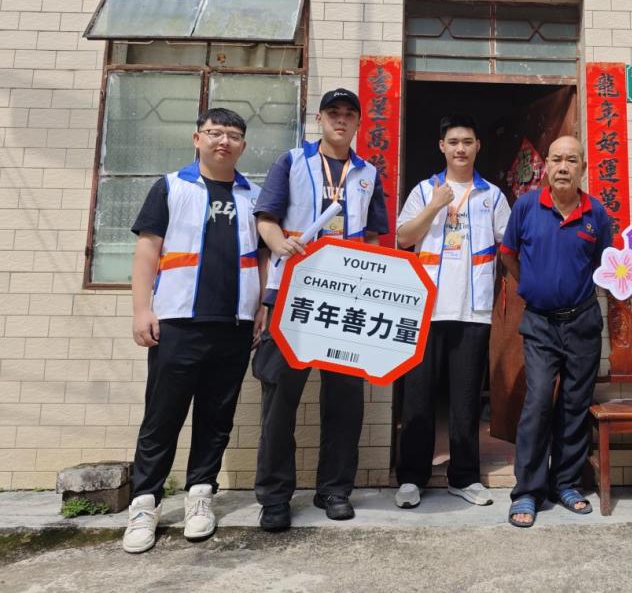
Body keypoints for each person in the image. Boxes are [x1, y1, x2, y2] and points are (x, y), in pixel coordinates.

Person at [122, 108, 267, 554]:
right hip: (178, 321)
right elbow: (147, 250)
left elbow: (262, 257)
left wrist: (261, 307)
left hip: (234, 324)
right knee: (162, 416)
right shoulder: (171, 187)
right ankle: (145, 504)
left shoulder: (254, 196)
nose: (224, 141)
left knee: (217, 417)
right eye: (215, 133)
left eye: (233, 135)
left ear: (243, 145)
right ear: (197, 138)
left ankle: (200, 495)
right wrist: (141, 310)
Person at [252, 88, 389, 530]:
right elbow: (266, 219)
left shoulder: (368, 173)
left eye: (349, 114)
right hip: (293, 293)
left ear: (359, 122)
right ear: (320, 119)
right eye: (333, 113)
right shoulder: (291, 161)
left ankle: (334, 489)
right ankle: (275, 497)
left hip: (347, 301)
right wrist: (279, 244)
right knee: (280, 397)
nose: (341, 120)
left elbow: (374, 237)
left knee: (345, 400)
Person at [392, 114, 511, 509]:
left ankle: (464, 477)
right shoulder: (424, 190)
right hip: (426, 309)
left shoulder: (492, 196)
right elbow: (403, 238)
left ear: (478, 147)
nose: (461, 148)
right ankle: (412, 477)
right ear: (441, 147)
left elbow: (510, 245)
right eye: (454, 142)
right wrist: (435, 207)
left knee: (465, 399)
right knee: (418, 397)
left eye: (467, 142)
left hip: (472, 310)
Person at [499, 136, 613, 528]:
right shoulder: (527, 206)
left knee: (574, 404)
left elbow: (605, 266)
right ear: (545, 165)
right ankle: (527, 491)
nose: (563, 167)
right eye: (557, 159)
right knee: (537, 402)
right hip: (540, 322)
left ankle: (565, 483)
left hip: (583, 321)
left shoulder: (597, 214)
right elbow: (508, 254)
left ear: (583, 168)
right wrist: (533, 286)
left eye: (572, 160)